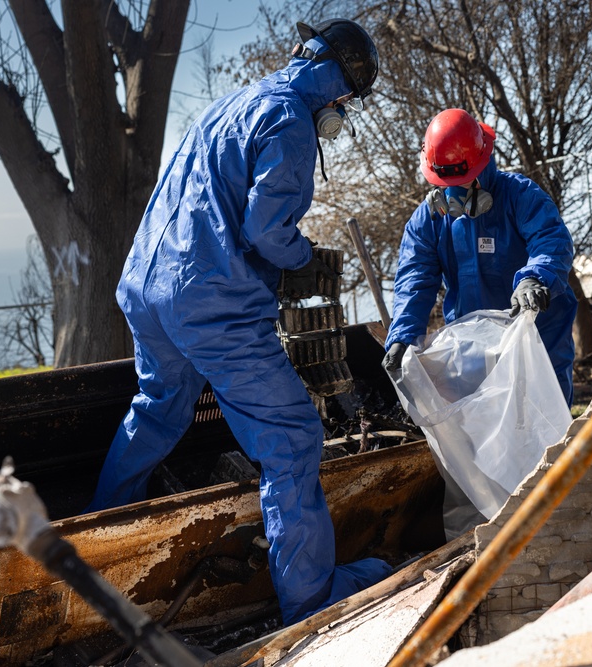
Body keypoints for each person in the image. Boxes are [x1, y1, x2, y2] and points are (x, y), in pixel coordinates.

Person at [85, 18, 392, 625]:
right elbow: (264, 231)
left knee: (159, 409)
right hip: (209, 299)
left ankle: (94, 547)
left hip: (147, 284)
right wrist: (302, 259)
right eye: (346, 104)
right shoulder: (293, 123)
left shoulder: (237, 101)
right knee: (295, 436)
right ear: (340, 92)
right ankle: (310, 599)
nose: (341, 113)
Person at [382, 109, 577, 405]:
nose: (452, 197)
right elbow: (414, 280)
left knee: (545, 425)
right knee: (486, 430)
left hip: (538, 336)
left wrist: (534, 279)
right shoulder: (428, 220)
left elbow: (551, 240)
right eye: (444, 186)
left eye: (462, 184)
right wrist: (402, 337)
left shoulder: (520, 196)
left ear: (481, 167)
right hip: (474, 344)